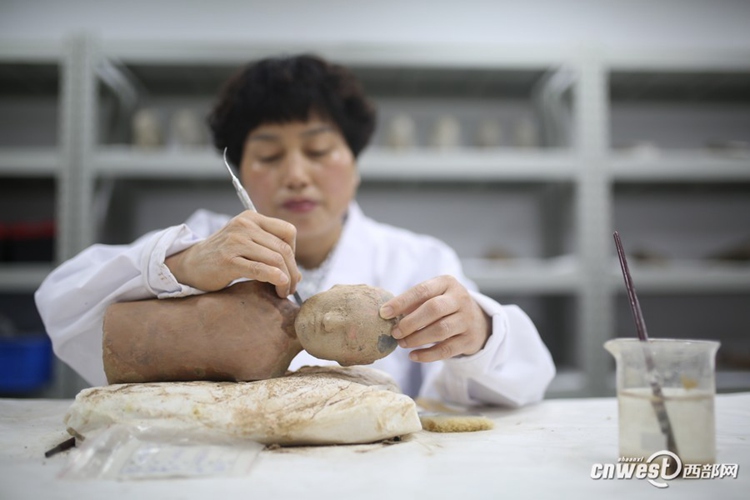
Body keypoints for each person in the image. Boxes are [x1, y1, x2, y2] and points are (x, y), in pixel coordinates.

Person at [35, 54, 555, 407]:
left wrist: (477, 334)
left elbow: (521, 379)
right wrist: (181, 266)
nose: (296, 174)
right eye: (267, 154)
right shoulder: (198, 240)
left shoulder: (415, 259)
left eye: (319, 149)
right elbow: (62, 305)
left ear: (354, 162)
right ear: (239, 169)